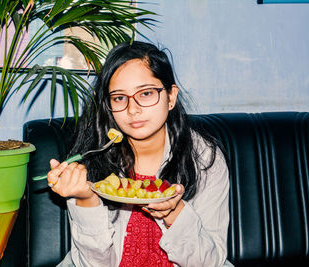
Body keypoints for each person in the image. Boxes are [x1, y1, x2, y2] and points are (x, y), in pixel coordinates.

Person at [47, 41, 232, 267]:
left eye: (145, 93)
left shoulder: (204, 159)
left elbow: (210, 262)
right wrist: (86, 200)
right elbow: (94, 264)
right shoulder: (92, 158)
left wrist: (176, 213)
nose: (132, 109)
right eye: (119, 98)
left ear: (171, 97)